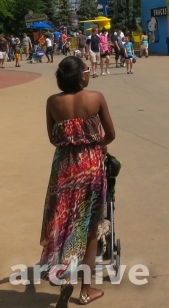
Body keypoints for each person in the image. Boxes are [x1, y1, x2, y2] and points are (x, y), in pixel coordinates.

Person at [39, 57, 116, 307]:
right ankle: (85, 290)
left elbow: (52, 138)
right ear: (81, 76)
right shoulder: (96, 98)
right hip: (90, 166)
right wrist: (96, 144)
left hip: (63, 168)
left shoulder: (53, 102)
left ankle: (63, 278)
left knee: (63, 222)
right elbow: (110, 134)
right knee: (89, 228)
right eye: (87, 69)